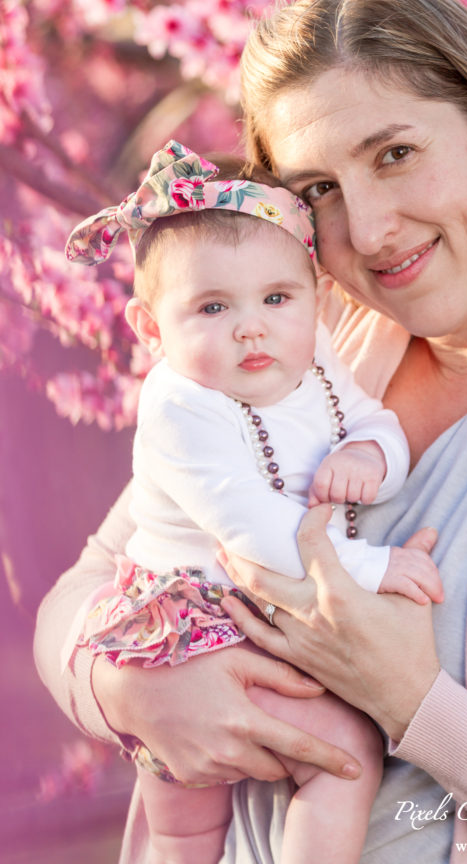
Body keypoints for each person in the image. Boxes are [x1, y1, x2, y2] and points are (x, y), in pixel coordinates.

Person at [35, 0, 467, 863]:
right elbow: (85, 588)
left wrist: (415, 706)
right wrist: (120, 687)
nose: (371, 231)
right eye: (318, 192)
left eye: (394, 153)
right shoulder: (297, 329)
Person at [59, 138, 442, 864]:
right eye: (210, 306)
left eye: (275, 297)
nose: (250, 326)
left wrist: (371, 456)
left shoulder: (315, 353)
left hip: (256, 609)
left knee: (324, 763)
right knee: (333, 757)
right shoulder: (180, 405)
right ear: (150, 331)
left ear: (313, 296)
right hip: (187, 626)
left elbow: (371, 420)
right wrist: (370, 569)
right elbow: (250, 529)